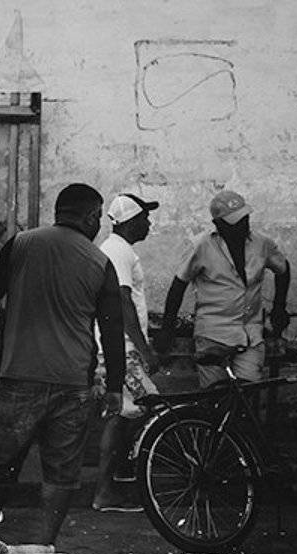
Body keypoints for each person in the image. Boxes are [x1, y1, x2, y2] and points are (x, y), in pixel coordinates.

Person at [0, 182, 125, 546]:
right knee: (61, 471)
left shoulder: (21, 244)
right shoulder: (101, 262)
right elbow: (113, 329)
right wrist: (115, 386)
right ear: (91, 217)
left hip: (19, 377)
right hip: (73, 383)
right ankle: (46, 543)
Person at [161, 188, 291, 387]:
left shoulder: (261, 244)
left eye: (245, 219)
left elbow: (283, 268)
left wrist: (279, 307)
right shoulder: (201, 246)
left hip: (250, 334)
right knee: (216, 395)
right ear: (218, 224)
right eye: (235, 222)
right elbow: (179, 285)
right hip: (213, 334)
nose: (242, 225)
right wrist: (167, 328)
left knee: (249, 392)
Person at [92, 193, 161, 513]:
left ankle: (114, 482)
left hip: (120, 348)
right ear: (131, 221)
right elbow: (121, 302)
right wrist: (145, 350)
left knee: (123, 415)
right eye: (144, 217)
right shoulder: (118, 251)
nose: (148, 223)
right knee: (143, 408)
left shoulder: (117, 249)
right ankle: (108, 487)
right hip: (124, 350)